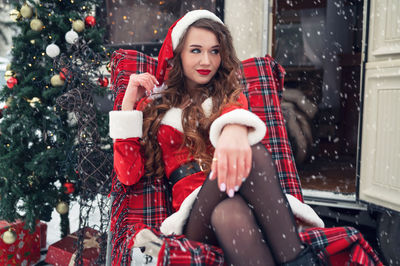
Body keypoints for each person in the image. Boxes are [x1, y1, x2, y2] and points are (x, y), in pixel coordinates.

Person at [109, 10, 323, 265]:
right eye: (196, 50)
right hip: (194, 215)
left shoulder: (229, 97)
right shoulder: (154, 107)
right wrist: (128, 103)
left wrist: (234, 128)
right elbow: (128, 174)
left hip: (239, 199)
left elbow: (236, 114)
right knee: (246, 168)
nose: (207, 61)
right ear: (178, 54)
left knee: (229, 212)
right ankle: (300, 259)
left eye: (214, 51)